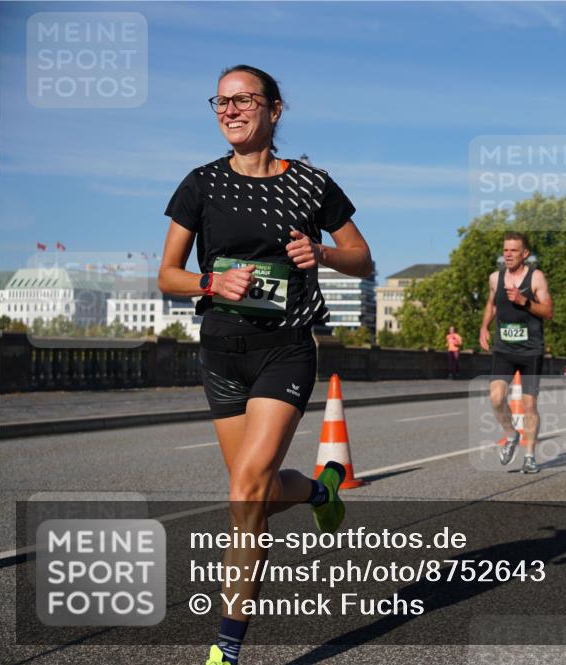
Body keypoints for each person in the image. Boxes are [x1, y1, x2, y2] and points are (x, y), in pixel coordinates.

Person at [158, 65, 371, 665]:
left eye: (243, 99)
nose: (229, 110)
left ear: (274, 110)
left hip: (285, 347)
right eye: (220, 102)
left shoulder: (310, 183)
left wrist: (323, 252)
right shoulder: (199, 185)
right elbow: (167, 275)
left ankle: (225, 650)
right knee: (253, 491)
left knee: (245, 491)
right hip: (222, 351)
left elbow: (363, 258)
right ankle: (322, 487)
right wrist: (210, 280)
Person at [479, 232, 553, 474]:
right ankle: (511, 435)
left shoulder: (536, 278)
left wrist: (525, 301)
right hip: (504, 348)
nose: (508, 254)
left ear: (525, 254)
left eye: (513, 250)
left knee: (529, 406)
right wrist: (484, 328)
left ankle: (530, 457)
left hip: (531, 350)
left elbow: (548, 311)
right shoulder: (495, 278)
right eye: (505, 250)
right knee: (496, 398)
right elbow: (491, 303)